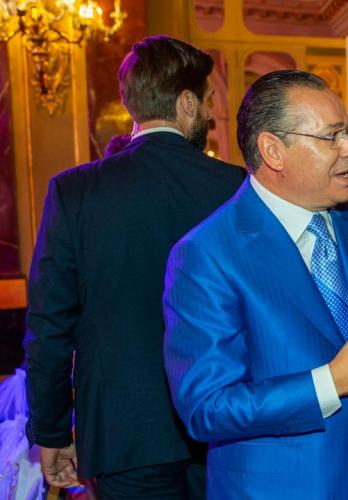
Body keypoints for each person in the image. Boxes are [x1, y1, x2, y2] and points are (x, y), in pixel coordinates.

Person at [162, 70, 348, 499]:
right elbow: (207, 407)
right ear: (273, 150)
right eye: (332, 136)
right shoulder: (207, 254)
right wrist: (331, 382)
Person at [23, 35, 246, 498]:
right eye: (207, 101)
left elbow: (50, 325)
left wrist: (52, 431)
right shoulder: (235, 188)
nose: (210, 115)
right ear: (186, 103)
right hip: (222, 425)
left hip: (123, 433)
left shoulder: (75, 191)